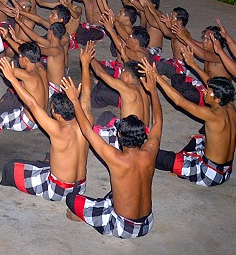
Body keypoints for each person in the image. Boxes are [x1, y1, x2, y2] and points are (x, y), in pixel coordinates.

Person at [61, 58, 162, 238]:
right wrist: (153, 91)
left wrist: (75, 101)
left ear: (120, 136)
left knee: (71, 199)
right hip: (148, 223)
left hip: (122, 227)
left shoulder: (115, 157)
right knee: (121, 189)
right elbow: (158, 121)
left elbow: (86, 129)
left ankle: (92, 218)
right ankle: (99, 211)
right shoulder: (151, 151)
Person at [0, 57, 89, 201]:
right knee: (47, 161)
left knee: (10, 168)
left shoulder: (57, 130)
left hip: (58, 190)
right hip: (81, 186)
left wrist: (12, 79)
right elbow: (87, 95)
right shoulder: (86, 122)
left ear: (56, 114)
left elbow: (32, 104)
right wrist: (85, 64)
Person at [154, 71, 236, 186]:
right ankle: (180, 164)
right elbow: (213, 83)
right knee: (198, 139)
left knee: (156, 156)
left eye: (208, 91)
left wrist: (157, 77)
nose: (204, 91)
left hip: (209, 174)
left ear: (217, 98)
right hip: (226, 171)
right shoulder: (230, 106)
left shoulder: (212, 114)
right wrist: (193, 64)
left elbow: (179, 101)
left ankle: (179, 167)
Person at [0, 41, 49, 132]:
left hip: (27, 122)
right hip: (42, 117)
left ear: (25, 59)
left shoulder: (27, 75)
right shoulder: (40, 68)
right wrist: (8, 38)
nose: (18, 58)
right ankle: (1, 111)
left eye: (20, 56)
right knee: (11, 93)